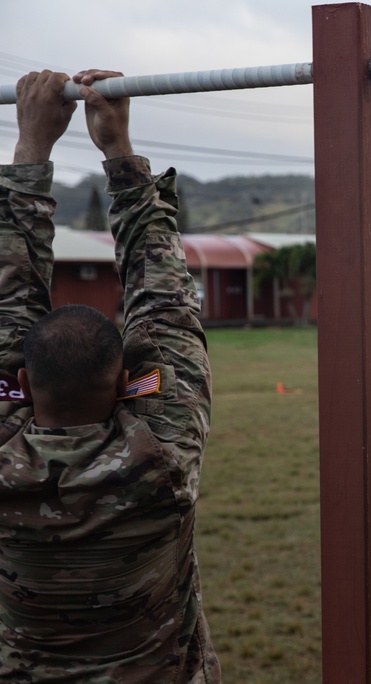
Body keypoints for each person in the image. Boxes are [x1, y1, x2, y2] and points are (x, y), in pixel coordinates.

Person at [0, 70, 219, 680]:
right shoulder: (160, 459)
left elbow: (7, 303)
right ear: (126, 383)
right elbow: (165, 301)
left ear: (25, 384)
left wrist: (30, 148)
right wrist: (117, 149)